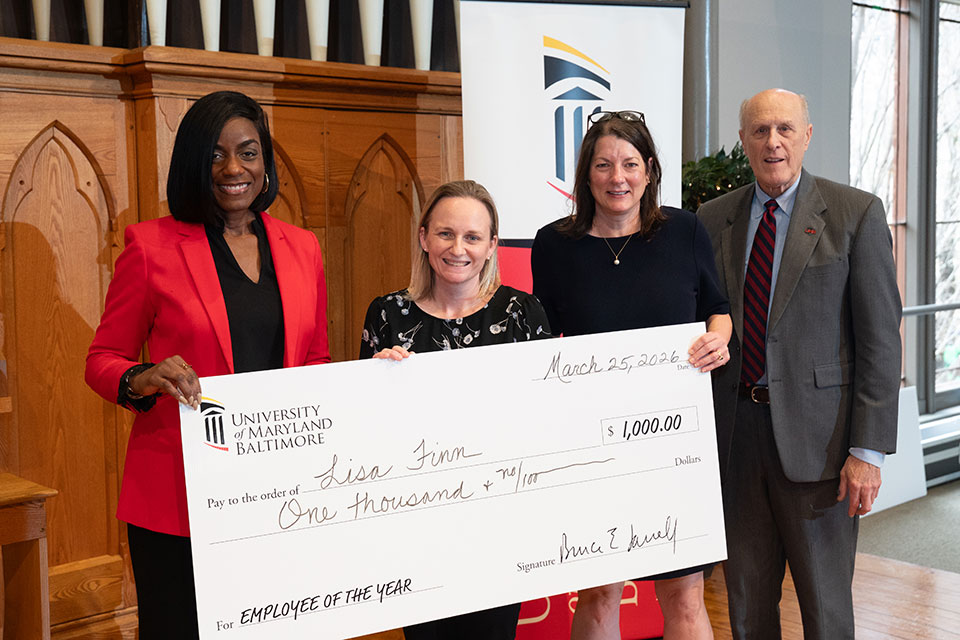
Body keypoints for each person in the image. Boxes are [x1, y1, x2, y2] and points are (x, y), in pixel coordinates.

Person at [85, 91, 330, 639]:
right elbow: (101, 360)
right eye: (215, 155)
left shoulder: (303, 248)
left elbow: (315, 360)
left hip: (277, 491)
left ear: (265, 161)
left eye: (248, 152)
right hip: (178, 496)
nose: (233, 169)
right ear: (193, 163)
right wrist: (143, 377)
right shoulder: (150, 247)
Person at [697, 88, 901, 639]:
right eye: (760, 131)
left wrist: (867, 452)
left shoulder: (855, 213)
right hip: (736, 442)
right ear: (744, 141)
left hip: (823, 449)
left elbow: (881, 342)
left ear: (807, 135)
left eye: (785, 129)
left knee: (826, 610)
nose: (773, 141)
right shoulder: (712, 219)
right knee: (746, 608)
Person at [532, 110, 731, 640]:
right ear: (586, 174)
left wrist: (719, 339)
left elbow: (719, 307)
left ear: (648, 170)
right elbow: (535, 339)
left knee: (686, 596)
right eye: (603, 165)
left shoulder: (685, 230)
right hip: (591, 444)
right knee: (598, 593)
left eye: (629, 163)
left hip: (674, 440)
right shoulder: (554, 245)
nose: (617, 177)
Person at [360, 179, 550, 640]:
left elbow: (545, 417)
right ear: (424, 238)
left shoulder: (524, 313)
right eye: (445, 234)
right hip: (416, 524)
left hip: (499, 523)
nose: (457, 248)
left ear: (491, 247)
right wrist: (377, 381)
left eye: (472, 237)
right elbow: (364, 427)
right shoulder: (387, 315)